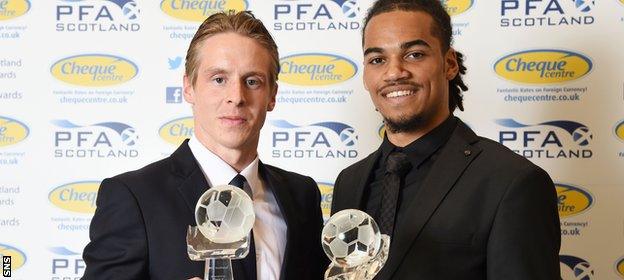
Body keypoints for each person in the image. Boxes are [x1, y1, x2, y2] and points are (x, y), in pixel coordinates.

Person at [82, 11, 325, 280]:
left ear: (272, 96)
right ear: (189, 87)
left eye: (252, 81)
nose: (236, 97)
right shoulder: (134, 198)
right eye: (219, 79)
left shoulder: (302, 197)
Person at [330, 0, 561, 279]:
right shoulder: (349, 182)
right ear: (366, 75)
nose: (394, 73)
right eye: (378, 60)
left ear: (449, 63)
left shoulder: (512, 182)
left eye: (414, 54)